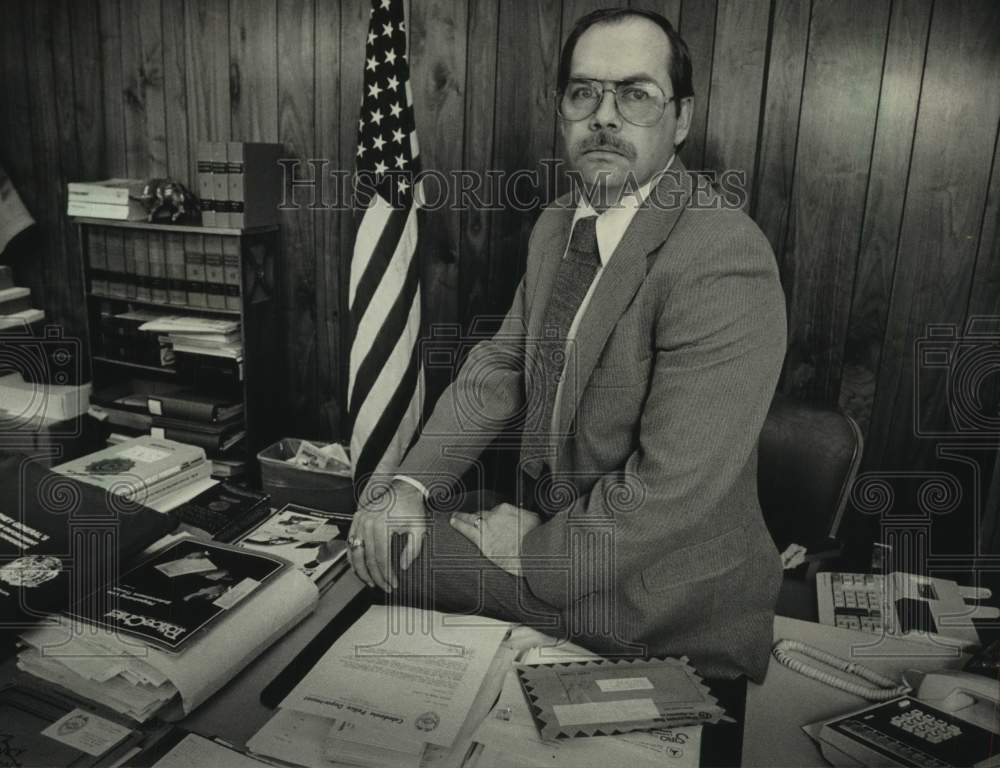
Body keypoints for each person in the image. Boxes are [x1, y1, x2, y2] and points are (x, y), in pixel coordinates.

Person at [343, 8, 786, 681]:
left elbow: (673, 486)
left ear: (683, 119)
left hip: (665, 598)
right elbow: (503, 367)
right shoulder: (558, 222)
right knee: (380, 528)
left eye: (636, 95)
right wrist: (408, 485)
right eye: (584, 93)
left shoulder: (723, 255)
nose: (604, 116)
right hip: (556, 529)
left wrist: (535, 552)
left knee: (386, 557)